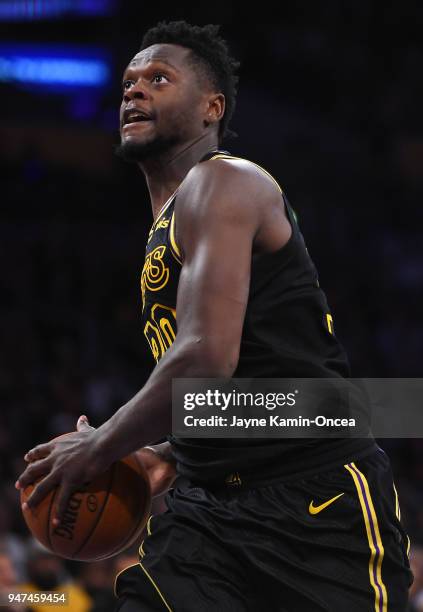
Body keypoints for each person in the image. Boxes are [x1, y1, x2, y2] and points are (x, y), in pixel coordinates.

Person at [16, 21, 412, 611]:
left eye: (158, 78)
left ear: (212, 108)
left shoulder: (223, 181)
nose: (133, 90)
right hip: (209, 515)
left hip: (317, 505)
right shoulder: (171, 221)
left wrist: (101, 445)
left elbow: (206, 358)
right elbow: (248, 382)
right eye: (127, 82)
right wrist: (168, 455)